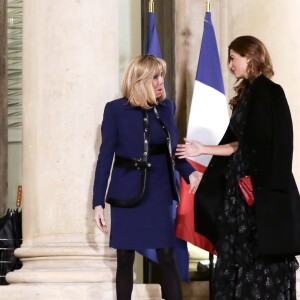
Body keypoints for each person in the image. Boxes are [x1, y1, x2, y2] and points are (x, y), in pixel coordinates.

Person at [176, 36, 300, 299]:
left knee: (258, 257)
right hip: (240, 194)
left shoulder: (269, 91)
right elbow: (238, 144)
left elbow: (276, 145)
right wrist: (203, 150)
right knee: (236, 256)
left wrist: (262, 190)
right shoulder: (247, 94)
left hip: (258, 195)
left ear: (250, 57)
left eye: (233, 58)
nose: (230, 65)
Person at [93, 54, 201, 300]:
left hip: (159, 190)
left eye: (161, 75)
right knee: (124, 257)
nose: (161, 81)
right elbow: (105, 157)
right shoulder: (115, 110)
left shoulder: (166, 107)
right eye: (155, 76)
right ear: (140, 79)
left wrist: (190, 173)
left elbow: (173, 151)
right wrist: (97, 201)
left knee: (167, 254)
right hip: (126, 191)